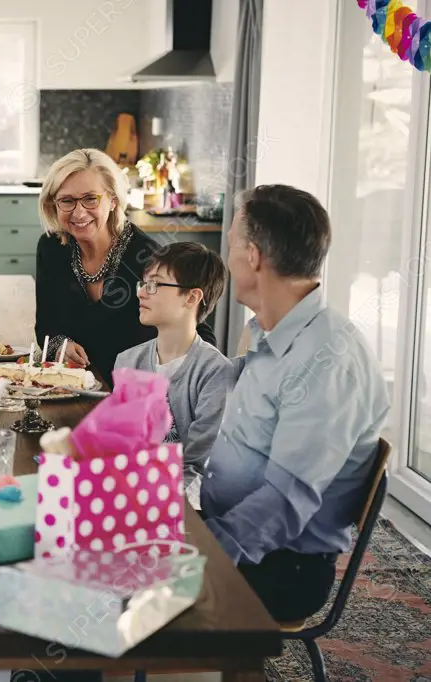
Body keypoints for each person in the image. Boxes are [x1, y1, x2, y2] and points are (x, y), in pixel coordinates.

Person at [200, 184, 390, 623]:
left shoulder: (326, 359)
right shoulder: (274, 333)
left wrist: (201, 550)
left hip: (277, 568)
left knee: (99, 589)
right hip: (236, 536)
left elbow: (285, 502)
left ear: (253, 256)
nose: (228, 259)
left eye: (230, 245)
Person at [34, 148, 216, 387]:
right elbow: (46, 326)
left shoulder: (147, 257)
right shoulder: (52, 248)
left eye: (90, 198)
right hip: (71, 390)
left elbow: (197, 330)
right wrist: (60, 345)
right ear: (54, 205)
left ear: (113, 200)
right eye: (67, 201)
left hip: (137, 398)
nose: (78, 212)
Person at [114, 242, 233, 509]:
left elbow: (199, 466)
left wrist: (151, 503)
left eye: (155, 285)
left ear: (191, 298)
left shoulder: (215, 373)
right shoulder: (127, 362)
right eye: (143, 284)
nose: (142, 293)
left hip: (187, 511)